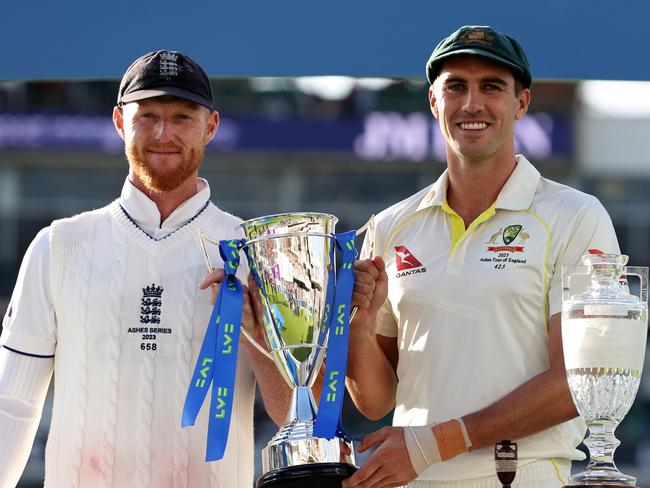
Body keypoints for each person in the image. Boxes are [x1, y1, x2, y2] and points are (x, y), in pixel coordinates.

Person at [345, 26, 620, 488]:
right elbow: (374, 402)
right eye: (456, 86)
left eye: (491, 86)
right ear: (435, 102)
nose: (472, 103)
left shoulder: (576, 216)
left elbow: (578, 380)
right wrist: (358, 327)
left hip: (521, 477)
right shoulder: (390, 225)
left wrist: (435, 443)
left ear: (521, 103)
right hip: (410, 477)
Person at [0, 50, 289, 487]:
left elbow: (298, 415)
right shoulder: (58, 245)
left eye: (182, 117)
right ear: (119, 122)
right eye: (148, 115)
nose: (163, 133)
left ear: (211, 126)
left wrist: (257, 334)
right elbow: (13, 402)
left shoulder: (256, 254)